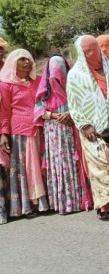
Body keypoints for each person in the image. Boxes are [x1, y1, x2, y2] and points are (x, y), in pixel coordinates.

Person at [66, 35, 109, 220]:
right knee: (102, 168)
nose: (93, 53)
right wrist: (85, 125)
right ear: (81, 53)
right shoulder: (75, 75)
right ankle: (105, 208)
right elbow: (74, 105)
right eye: (88, 50)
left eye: (94, 48)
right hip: (93, 130)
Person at [34, 54, 92, 214]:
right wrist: (53, 115)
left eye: (60, 74)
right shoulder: (45, 90)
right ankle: (64, 203)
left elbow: (85, 105)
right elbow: (38, 111)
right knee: (60, 165)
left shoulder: (75, 87)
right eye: (54, 75)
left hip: (72, 131)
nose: (57, 79)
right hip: (54, 134)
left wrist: (71, 113)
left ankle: (79, 200)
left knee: (74, 163)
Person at [0, 49, 49, 223]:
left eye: (28, 59)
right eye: (22, 60)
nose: (27, 62)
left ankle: (42, 203)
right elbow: (4, 111)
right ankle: (26, 206)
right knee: (23, 169)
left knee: (38, 166)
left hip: (38, 129)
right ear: (14, 63)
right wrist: (3, 134)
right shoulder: (6, 84)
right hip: (18, 131)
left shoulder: (37, 82)